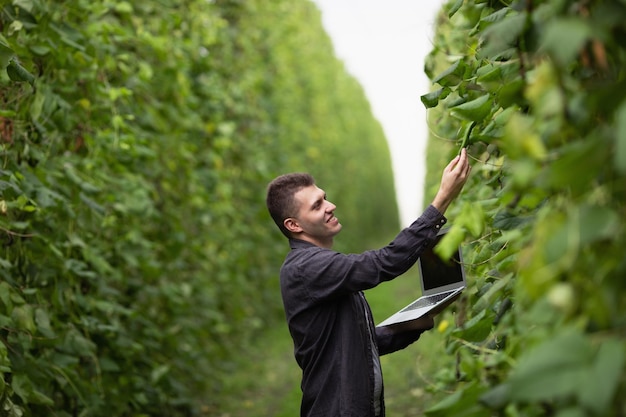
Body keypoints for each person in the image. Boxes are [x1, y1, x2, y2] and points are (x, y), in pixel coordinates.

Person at [265, 149, 471, 417]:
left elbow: (353, 345)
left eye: (324, 198)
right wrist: (442, 200)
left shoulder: (316, 265)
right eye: (317, 205)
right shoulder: (306, 268)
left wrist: (410, 326)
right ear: (293, 225)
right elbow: (383, 263)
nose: (330, 206)